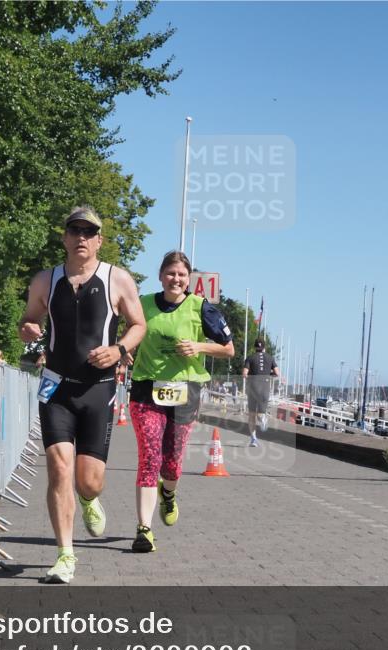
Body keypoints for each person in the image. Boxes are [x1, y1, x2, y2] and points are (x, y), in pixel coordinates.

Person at [18, 206, 146, 583]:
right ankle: (65, 555)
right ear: (64, 237)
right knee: (58, 469)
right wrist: (27, 328)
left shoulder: (116, 279)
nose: (81, 238)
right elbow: (29, 318)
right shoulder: (46, 280)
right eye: (74, 231)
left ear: (99, 241)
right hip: (56, 387)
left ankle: (89, 499)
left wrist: (119, 350)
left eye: (89, 232)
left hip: (99, 389)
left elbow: (139, 324)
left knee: (88, 480)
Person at [127, 251, 234, 552]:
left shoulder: (201, 308)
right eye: (171, 273)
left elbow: (229, 349)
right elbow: (128, 334)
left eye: (182, 275)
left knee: (172, 464)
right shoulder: (143, 304)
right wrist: (124, 350)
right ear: (160, 276)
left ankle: (169, 494)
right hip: (146, 389)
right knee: (149, 457)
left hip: (186, 392)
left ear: (190, 281)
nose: (176, 279)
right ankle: (144, 530)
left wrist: (199, 346)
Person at [242, 339, 279, 447]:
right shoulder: (270, 358)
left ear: (255, 347)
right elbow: (277, 373)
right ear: (264, 347)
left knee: (251, 415)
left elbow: (244, 374)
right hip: (265, 387)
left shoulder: (250, 358)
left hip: (253, 387)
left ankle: (253, 439)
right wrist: (268, 373)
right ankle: (262, 418)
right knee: (261, 413)